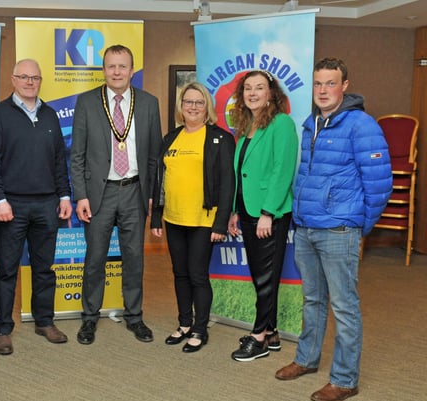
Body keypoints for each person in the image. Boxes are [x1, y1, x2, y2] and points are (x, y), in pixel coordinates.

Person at [275, 58, 392, 401]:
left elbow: (380, 184)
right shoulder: (311, 123)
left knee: (344, 306)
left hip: (340, 230)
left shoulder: (361, 125)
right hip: (308, 227)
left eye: (330, 83)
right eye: (318, 84)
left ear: (345, 85)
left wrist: (358, 226)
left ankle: (344, 379)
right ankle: (307, 359)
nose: (323, 90)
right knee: (312, 299)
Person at [70, 44, 163, 345]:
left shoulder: (149, 103)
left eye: (122, 66)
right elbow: (77, 155)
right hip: (99, 194)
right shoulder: (87, 102)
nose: (117, 72)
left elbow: (154, 156)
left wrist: (151, 194)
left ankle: (134, 317)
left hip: (134, 191)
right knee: (95, 257)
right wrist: (80, 195)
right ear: (104, 70)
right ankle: (89, 318)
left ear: (132, 70)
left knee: (134, 257)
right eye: (111, 66)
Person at [0, 59, 72, 356]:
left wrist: (64, 196)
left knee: (45, 268)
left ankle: (45, 321)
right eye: (23, 76)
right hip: (11, 205)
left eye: (35, 77)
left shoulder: (50, 115)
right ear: (13, 79)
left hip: (47, 204)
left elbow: (59, 159)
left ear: (40, 80)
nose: (30, 82)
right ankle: (3, 329)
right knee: (7, 270)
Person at [150, 82, 235, 353]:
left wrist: (220, 222)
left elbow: (227, 183)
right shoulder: (171, 138)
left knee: (198, 275)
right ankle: (184, 323)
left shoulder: (219, 138)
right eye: (188, 101)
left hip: (203, 220)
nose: (193, 107)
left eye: (199, 102)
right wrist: (156, 218)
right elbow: (159, 180)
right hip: (174, 218)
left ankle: (200, 328)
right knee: (180, 273)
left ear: (207, 107)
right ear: (181, 106)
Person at [227, 70, 298, 362]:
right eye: (247, 88)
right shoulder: (246, 125)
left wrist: (268, 212)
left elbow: (283, 170)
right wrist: (233, 210)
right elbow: (240, 171)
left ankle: (258, 340)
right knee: (260, 275)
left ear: (271, 92)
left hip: (269, 212)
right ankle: (271, 331)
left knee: (266, 277)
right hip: (246, 209)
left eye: (259, 88)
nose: (253, 93)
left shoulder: (282, 124)